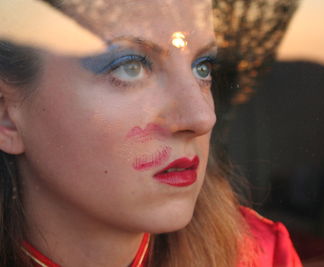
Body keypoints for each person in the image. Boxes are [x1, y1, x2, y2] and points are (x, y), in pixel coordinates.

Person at [0, 0, 302, 266]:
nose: (201, 117)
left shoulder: (257, 256)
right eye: (129, 66)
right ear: (6, 116)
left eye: (202, 67)